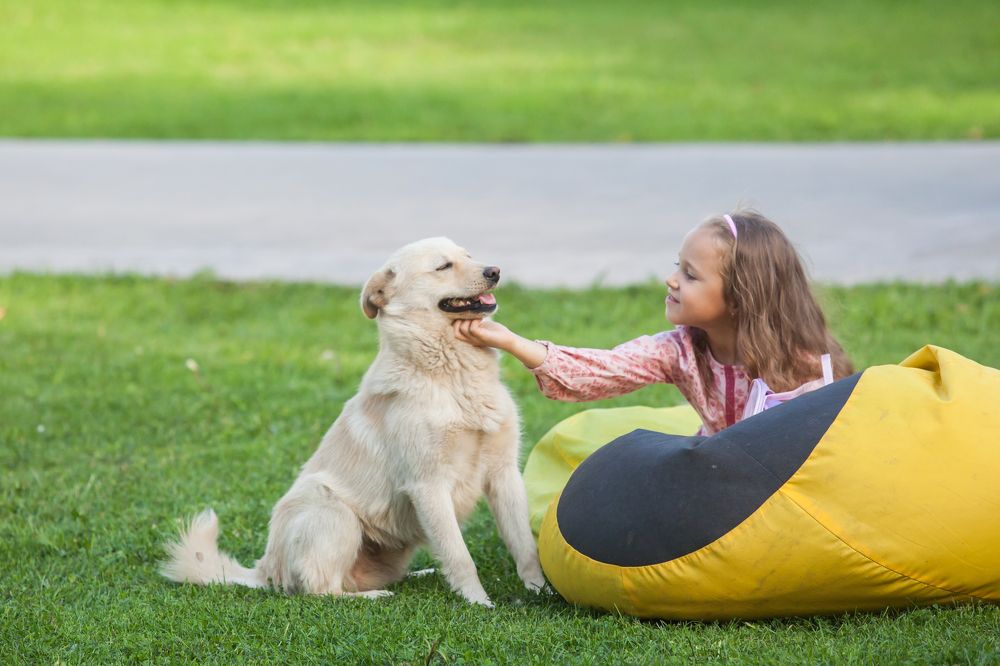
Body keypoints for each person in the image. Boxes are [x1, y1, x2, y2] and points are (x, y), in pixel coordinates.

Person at [453, 209, 854, 436]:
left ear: (741, 297)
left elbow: (825, 447)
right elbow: (601, 370)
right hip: (720, 473)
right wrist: (512, 342)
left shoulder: (800, 361)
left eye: (691, 276)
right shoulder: (678, 350)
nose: (672, 280)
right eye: (678, 267)